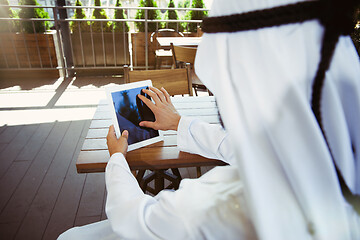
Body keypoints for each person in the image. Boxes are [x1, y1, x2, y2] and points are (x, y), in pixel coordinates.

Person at [59, 0, 360, 239]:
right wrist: (178, 123)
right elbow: (235, 147)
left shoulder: (219, 208)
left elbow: (133, 219)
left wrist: (117, 160)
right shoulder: (334, 157)